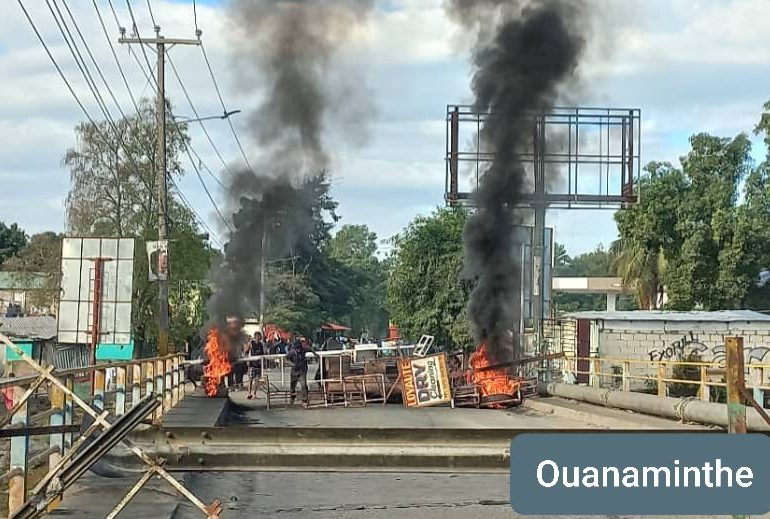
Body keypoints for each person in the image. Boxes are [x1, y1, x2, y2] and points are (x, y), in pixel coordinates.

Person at [286, 336, 310, 406]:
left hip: (302, 370)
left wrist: (315, 354)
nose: (298, 350)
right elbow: (286, 358)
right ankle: (292, 397)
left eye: (299, 348)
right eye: (297, 349)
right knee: (292, 386)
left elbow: (310, 349)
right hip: (294, 371)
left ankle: (304, 400)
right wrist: (291, 363)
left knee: (303, 385)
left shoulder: (304, 350)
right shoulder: (292, 352)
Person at [247, 332, 265, 400]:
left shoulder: (260, 344)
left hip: (258, 365)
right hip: (252, 364)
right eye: (258, 336)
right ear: (255, 336)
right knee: (250, 380)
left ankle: (254, 394)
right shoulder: (251, 343)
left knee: (257, 380)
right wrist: (247, 361)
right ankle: (249, 394)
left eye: (259, 336)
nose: (259, 338)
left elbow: (263, 354)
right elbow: (246, 351)